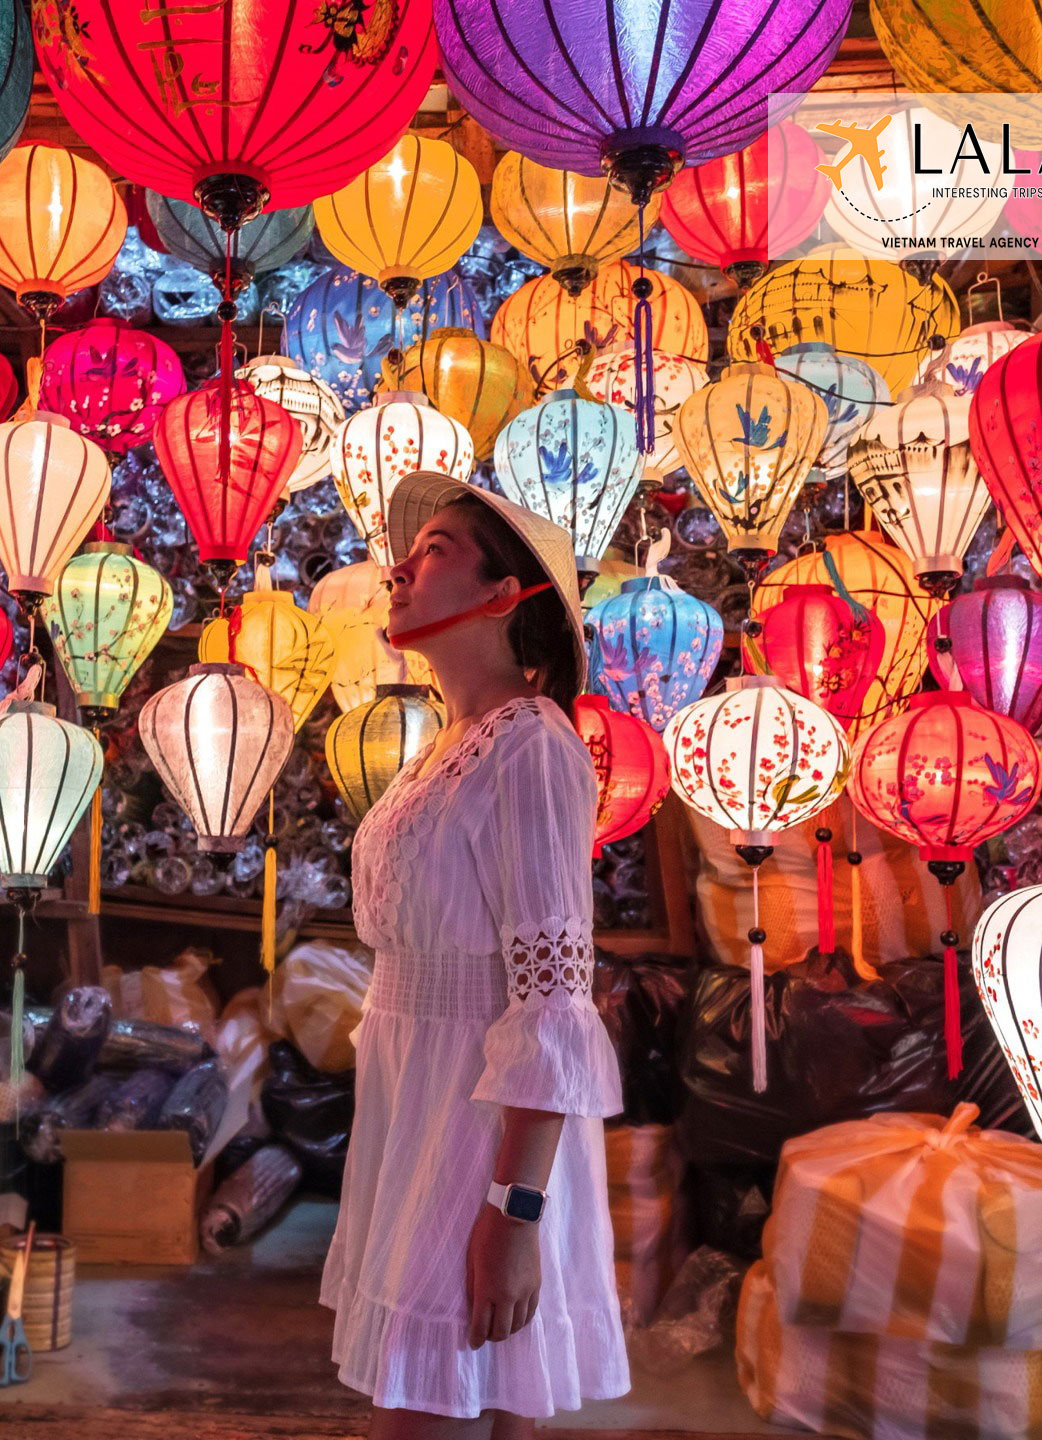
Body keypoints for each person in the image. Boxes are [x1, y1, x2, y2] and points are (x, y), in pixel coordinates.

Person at [320, 471, 629, 1438]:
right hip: (415, 1106)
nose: (399, 570)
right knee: (462, 1401)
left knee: (439, 1401)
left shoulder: (531, 746)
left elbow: (552, 997)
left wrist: (514, 1210)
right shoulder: (446, 745)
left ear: (504, 596)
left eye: (437, 550)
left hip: (480, 1124)